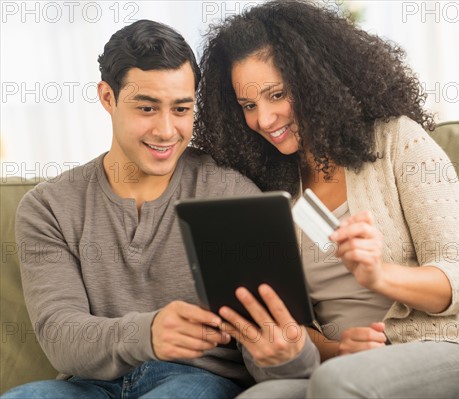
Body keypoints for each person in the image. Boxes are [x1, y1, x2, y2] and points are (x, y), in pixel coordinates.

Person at [193, 1, 459, 398]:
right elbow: (295, 323)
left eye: (277, 94)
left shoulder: (399, 141)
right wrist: (336, 349)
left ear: (316, 80)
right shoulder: (271, 188)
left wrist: (380, 274)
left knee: (339, 382)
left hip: (447, 348)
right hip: (341, 366)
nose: (265, 119)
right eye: (248, 106)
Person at [3, 19, 264, 399]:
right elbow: (60, 333)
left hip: (195, 380)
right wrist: (148, 333)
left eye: (181, 109)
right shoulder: (49, 207)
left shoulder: (231, 194)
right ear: (108, 97)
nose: (166, 130)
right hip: (88, 385)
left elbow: (265, 332)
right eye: (146, 108)